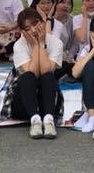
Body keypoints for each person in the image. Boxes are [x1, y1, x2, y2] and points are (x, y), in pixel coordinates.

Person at [9, 8, 64, 138]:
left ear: (43, 22)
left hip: (48, 100)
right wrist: (34, 46)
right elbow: (33, 73)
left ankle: (49, 120)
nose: (33, 30)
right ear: (22, 32)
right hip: (24, 100)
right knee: (27, 77)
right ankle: (35, 120)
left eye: (35, 24)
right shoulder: (19, 45)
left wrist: (41, 43)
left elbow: (46, 71)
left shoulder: (56, 43)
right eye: (27, 28)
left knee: (48, 76)